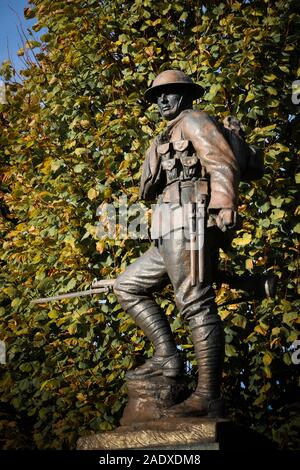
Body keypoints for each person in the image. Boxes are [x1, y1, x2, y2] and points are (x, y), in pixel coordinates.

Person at [113, 70, 273, 418]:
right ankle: (167, 355)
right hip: (169, 225)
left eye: (169, 93)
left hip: (191, 221)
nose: (162, 101)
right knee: (127, 286)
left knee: (195, 304)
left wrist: (226, 203)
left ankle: (207, 395)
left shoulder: (196, 120)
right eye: (157, 96)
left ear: (186, 95)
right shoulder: (166, 134)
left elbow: (220, 161)